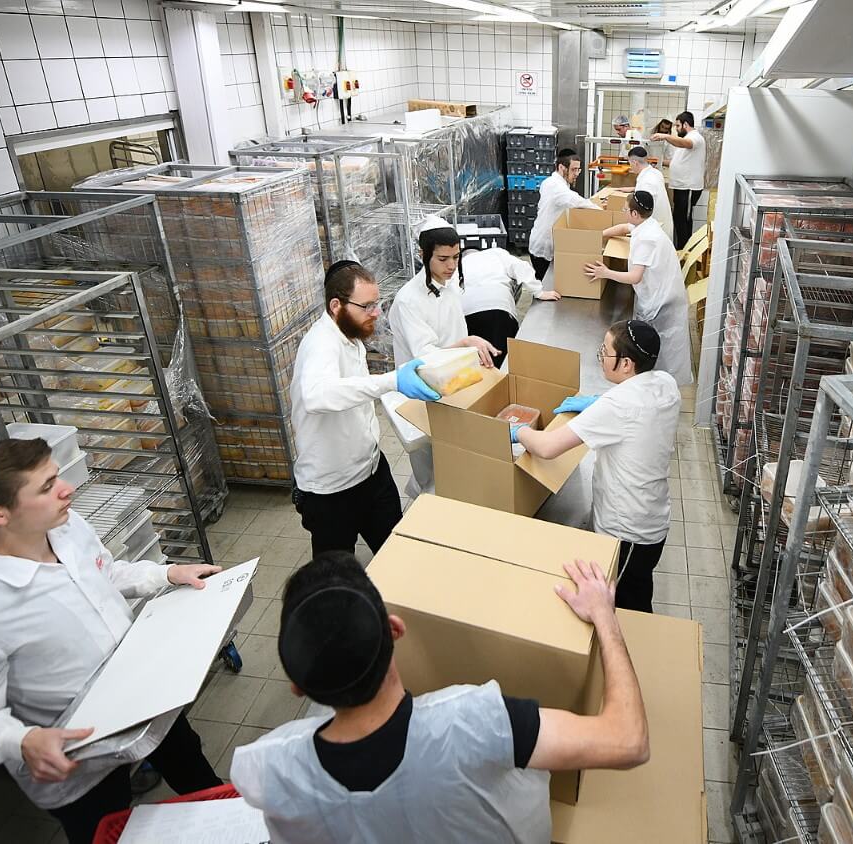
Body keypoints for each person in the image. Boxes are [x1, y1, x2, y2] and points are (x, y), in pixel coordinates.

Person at [0, 438, 227, 844]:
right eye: (46, 487)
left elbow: (107, 572)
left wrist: (165, 575)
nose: (67, 489)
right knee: (106, 830)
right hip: (79, 761)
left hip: (144, 697)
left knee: (196, 774)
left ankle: (226, 815)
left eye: (57, 476)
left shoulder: (65, 527)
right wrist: (22, 739)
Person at [232, 551, 649, 843]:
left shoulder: (269, 767)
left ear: (298, 686)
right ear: (395, 629)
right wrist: (604, 617)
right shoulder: (474, 722)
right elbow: (628, 740)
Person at [514, 321, 680, 613]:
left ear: (626, 364)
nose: (601, 356)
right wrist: (597, 402)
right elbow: (633, 407)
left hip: (627, 532)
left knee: (628, 606)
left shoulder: (618, 405)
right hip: (652, 518)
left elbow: (548, 448)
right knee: (636, 588)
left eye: (605, 351)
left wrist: (517, 431)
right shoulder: (666, 383)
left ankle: (634, 654)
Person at [290, 260, 443, 554]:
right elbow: (317, 395)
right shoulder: (320, 344)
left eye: (378, 303)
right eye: (368, 306)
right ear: (337, 305)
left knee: (397, 554)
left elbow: (353, 392)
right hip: (331, 490)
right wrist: (391, 381)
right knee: (336, 576)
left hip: (371, 471)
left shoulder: (351, 337)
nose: (376, 313)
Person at [389, 218, 499, 496]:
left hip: (453, 380)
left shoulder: (448, 283)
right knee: (429, 462)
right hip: (421, 390)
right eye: (443, 259)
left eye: (456, 257)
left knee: (453, 455)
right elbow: (424, 356)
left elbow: (453, 327)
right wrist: (465, 343)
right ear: (422, 255)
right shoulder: (408, 300)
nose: (451, 266)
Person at [583, 191, 692, 386]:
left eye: (625, 209)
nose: (624, 213)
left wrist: (605, 272)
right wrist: (600, 235)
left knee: (661, 354)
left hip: (662, 303)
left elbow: (635, 276)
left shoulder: (646, 239)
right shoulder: (647, 224)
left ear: (635, 213)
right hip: (662, 293)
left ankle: (656, 387)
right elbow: (625, 227)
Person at [460, 241, 561, 370]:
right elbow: (520, 267)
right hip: (499, 309)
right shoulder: (495, 253)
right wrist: (539, 292)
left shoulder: (459, 264)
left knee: (478, 364)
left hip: (467, 313)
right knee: (506, 363)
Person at [529, 148, 599, 284]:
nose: (577, 173)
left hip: (541, 238)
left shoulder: (551, 182)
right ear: (561, 167)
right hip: (544, 245)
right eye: (574, 169)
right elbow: (577, 201)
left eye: (579, 169)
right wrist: (604, 212)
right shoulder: (557, 187)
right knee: (542, 285)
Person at [651, 111, 707, 250]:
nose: (676, 129)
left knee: (683, 220)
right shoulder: (687, 139)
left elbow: (685, 143)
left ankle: (685, 251)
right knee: (679, 218)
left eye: (677, 125)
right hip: (681, 186)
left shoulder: (695, 137)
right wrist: (656, 162)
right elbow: (676, 162)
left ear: (685, 124)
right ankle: (681, 249)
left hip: (688, 187)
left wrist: (665, 136)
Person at [625, 146, 673, 244]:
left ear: (635, 162)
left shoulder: (646, 183)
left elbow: (639, 214)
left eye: (630, 163)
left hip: (656, 232)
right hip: (664, 226)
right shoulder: (655, 173)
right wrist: (634, 189)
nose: (630, 166)